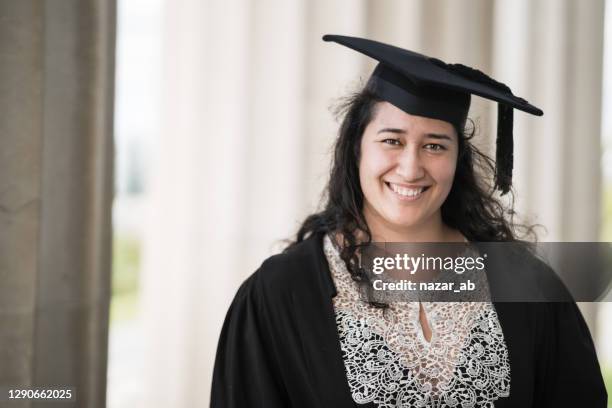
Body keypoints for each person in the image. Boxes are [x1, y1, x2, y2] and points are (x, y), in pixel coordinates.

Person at [210, 35, 607, 407]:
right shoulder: (282, 292)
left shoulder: (528, 287)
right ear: (356, 149)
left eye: (435, 145)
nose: (411, 166)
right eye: (391, 140)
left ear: (458, 160)